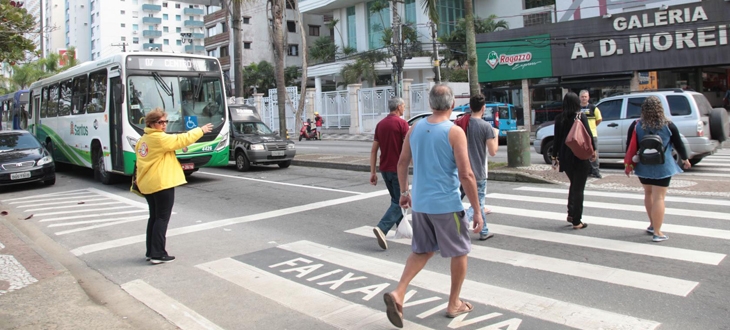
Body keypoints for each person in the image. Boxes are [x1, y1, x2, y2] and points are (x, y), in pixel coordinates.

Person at [383, 84, 483, 328]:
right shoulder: (454, 131)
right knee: (460, 251)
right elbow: (466, 174)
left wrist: (404, 193)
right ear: (451, 105)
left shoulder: (415, 129)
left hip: (421, 204)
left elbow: (401, 163)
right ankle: (454, 303)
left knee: (422, 250)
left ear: (430, 104)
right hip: (447, 205)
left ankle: (399, 293)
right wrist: (477, 209)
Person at [135, 108, 213, 264]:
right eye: (160, 122)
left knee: (155, 218)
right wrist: (201, 130)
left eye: (165, 121)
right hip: (161, 182)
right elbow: (180, 140)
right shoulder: (158, 138)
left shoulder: (144, 139)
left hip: (149, 183)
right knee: (162, 218)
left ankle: (151, 251)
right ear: (151, 123)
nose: (164, 125)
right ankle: (158, 253)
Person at [625, 96, 690, 242]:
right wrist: (685, 159)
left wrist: (629, 164)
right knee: (659, 197)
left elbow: (630, 146)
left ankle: (652, 225)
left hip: (643, 165)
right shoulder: (668, 125)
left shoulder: (636, 125)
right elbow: (679, 144)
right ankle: (657, 232)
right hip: (663, 165)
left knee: (648, 193)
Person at [551, 92, 595, 230]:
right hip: (580, 156)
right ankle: (577, 221)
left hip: (565, 156)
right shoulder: (580, 116)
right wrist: (593, 152)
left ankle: (571, 214)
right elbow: (588, 136)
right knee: (578, 188)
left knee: (573, 185)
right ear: (577, 103)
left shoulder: (559, 119)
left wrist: (554, 156)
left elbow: (556, 140)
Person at [370, 97, 410, 250]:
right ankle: (382, 227)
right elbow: (409, 148)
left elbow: (374, 150)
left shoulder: (380, 125)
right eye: (404, 106)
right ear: (399, 107)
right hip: (398, 170)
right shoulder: (402, 124)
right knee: (401, 200)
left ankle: (402, 229)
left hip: (385, 169)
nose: (404, 108)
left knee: (396, 198)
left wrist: (373, 172)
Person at [463, 94, 499, 241]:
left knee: (477, 202)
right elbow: (493, 151)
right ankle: (459, 222)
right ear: (484, 108)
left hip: (462, 169)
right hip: (478, 171)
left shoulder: (463, 124)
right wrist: (495, 135)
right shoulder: (486, 127)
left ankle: (484, 230)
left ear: (470, 107)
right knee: (478, 204)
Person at [579, 90, 603, 178]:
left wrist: (592, 127)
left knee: (594, 152)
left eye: (585, 96)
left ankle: (596, 171)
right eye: (582, 97)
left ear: (588, 97)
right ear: (580, 98)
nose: (584, 98)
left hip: (592, 135)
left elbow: (599, 119)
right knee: (584, 154)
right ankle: (587, 170)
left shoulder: (593, 108)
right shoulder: (577, 108)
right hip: (581, 135)